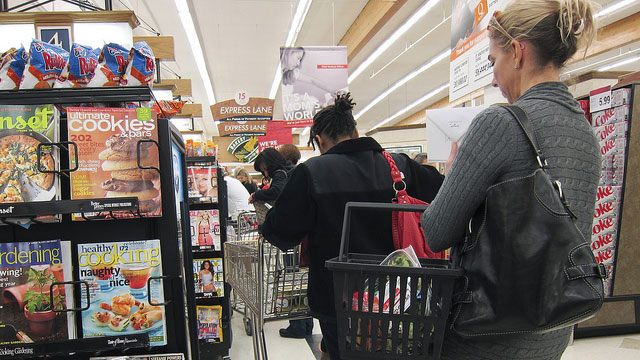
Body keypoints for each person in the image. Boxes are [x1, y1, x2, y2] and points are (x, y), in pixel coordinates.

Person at [421, 1, 599, 359]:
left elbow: (436, 231)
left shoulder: (498, 124)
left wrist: (453, 171)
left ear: (517, 52)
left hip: (486, 332)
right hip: (553, 329)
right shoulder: (585, 133)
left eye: (492, 61)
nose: (492, 76)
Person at [261, 93, 445, 360]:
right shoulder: (400, 165)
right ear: (356, 131)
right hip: (403, 294)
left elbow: (281, 233)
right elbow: (446, 199)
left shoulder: (310, 173)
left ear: (319, 141)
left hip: (339, 299)